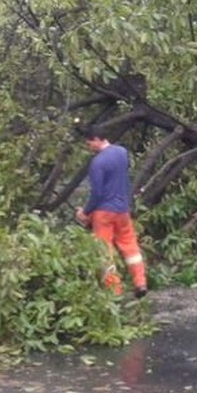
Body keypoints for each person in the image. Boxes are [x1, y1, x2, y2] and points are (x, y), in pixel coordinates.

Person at [75, 127, 148, 299]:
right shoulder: (122, 152)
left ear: (97, 139)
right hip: (122, 210)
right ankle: (140, 283)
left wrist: (85, 213)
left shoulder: (97, 163)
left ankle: (114, 290)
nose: (89, 147)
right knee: (130, 246)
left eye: (89, 143)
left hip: (104, 213)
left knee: (103, 250)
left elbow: (97, 193)